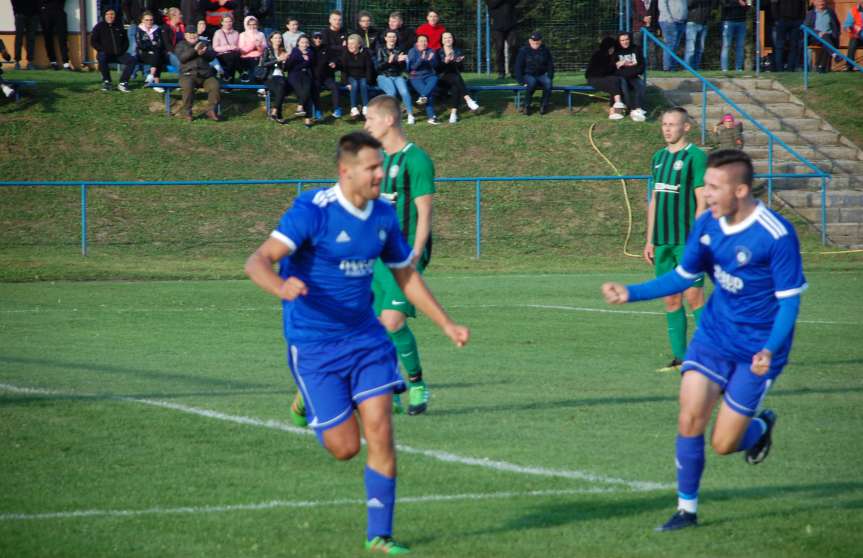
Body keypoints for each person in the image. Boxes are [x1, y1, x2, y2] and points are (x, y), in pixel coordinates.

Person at [246, 131, 469, 554]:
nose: (379, 174)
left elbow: (405, 274)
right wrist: (280, 287)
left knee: (382, 431)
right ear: (345, 171)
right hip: (313, 343)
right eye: (371, 167)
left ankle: (379, 536)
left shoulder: (382, 217)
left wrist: (446, 324)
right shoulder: (313, 210)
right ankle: (308, 401)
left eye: (381, 166)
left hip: (366, 340)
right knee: (345, 448)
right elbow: (257, 260)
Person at [602, 149, 805, 531]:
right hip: (713, 337)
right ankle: (686, 511)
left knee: (724, 443)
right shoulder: (707, 225)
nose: (706, 194)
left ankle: (759, 428)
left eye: (714, 187)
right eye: (706, 186)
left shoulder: (775, 235)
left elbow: (790, 305)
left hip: (757, 350)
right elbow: (681, 277)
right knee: (690, 414)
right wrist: (631, 292)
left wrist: (769, 348)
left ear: (741, 190)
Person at [365, 96, 438, 415]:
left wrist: (417, 254)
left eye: (370, 119)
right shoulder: (375, 159)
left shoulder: (416, 160)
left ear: (389, 120)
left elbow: (425, 213)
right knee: (376, 324)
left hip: (405, 254)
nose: (365, 125)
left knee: (392, 321)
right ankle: (390, 386)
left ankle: (418, 384)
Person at [645, 107, 707, 371]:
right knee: (671, 299)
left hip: (686, 241)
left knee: (694, 297)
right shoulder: (658, 157)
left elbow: (701, 199)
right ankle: (681, 358)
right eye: (664, 124)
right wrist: (650, 240)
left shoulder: (695, 157)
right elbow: (655, 200)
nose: (668, 129)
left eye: (673, 124)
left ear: (686, 128)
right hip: (663, 242)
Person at [175, 27, 222, 122]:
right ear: (185, 35)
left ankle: (211, 110)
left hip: (205, 75)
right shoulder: (181, 44)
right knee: (188, 87)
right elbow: (182, 58)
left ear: (198, 34)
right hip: (188, 74)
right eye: (190, 33)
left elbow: (212, 57)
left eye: (194, 33)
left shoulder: (204, 43)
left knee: (215, 85)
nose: (192, 35)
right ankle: (187, 112)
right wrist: (195, 50)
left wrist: (204, 53)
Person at [436, 32, 481, 123]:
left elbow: (461, 69)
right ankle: (469, 100)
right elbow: (437, 69)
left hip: (454, 78)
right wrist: (445, 62)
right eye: (445, 38)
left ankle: (453, 114)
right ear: (442, 40)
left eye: (449, 37)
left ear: (453, 39)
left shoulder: (458, 51)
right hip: (442, 79)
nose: (447, 39)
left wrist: (458, 62)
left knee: (455, 86)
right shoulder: (438, 52)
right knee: (455, 78)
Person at [374, 30, 416, 125]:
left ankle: (410, 115)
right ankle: (391, 116)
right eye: (389, 37)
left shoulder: (400, 50)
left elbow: (403, 68)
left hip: (397, 76)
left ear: (396, 38)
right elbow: (378, 67)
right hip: (383, 76)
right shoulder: (381, 50)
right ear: (385, 38)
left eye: (394, 37)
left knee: (404, 92)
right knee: (392, 93)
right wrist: (389, 61)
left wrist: (401, 62)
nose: (392, 39)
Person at [91, 8, 136, 92]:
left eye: (112, 14)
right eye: (108, 14)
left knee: (132, 60)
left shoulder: (119, 26)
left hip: (119, 54)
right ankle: (107, 82)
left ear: (115, 16)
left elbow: (126, 41)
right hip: (106, 54)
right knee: (102, 57)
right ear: (104, 16)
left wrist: (122, 50)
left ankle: (123, 83)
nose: (110, 16)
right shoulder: (99, 27)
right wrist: (102, 50)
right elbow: (93, 41)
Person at [514, 31, 555, 115]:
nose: (535, 43)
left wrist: (550, 76)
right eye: (533, 41)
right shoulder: (523, 51)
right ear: (530, 41)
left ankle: (544, 105)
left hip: (541, 74)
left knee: (548, 83)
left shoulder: (545, 50)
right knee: (532, 82)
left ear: (540, 41)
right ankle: (526, 106)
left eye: (537, 41)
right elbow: (518, 67)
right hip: (528, 74)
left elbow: (550, 64)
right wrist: (521, 81)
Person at [585, 37, 626, 120]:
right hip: (594, 78)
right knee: (613, 82)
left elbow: (611, 71)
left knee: (615, 81)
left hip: (606, 79)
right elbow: (601, 71)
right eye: (612, 47)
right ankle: (616, 106)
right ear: (608, 47)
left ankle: (614, 110)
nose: (613, 49)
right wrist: (615, 65)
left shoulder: (612, 56)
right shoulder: (598, 55)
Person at [287, 34, 319, 128]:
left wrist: (303, 61)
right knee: (303, 93)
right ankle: (307, 119)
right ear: (298, 43)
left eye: (306, 42)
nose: (304, 44)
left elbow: (311, 63)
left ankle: (300, 107)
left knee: (307, 90)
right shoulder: (294, 51)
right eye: (302, 42)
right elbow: (290, 65)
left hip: (306, 74)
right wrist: (303, 59)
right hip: (294, 74)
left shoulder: (310, 52)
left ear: (308, 44)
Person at [614, 31, 647, 122]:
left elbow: (641, 66)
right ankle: (630, 109)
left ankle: (638, 109)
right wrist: (629, 68)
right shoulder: (616, 52)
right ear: (619, 41)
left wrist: (625, 66)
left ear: (630, 39)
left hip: (633, 76)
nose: (625, 42)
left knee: (640, 85)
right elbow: (613, 68)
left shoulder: (636, 49)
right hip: (622, 77)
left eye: (627, 39)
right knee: (623, 86)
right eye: (622, 40)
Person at [408, 35, 440, 124]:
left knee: (435, 78)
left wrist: (430, 60)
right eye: (421, 41)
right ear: (417, 43)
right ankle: (431, 117)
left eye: (425, 41)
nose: (423, 43)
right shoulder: (412, 51)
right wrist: (421, 59)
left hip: (429, 76)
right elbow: (412, 68)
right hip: (416, 77)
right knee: (429, 95)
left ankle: (422, 96)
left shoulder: (430, 51)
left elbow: (435, 66)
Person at [341, 34, 374, 119]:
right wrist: (346, 83)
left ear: (359, 44)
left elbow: (369, 68)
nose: (350, 46)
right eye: (349, 44)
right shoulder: (345, 54)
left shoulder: (365, 53)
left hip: (363, 76)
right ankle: (353, 108)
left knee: (363, 84)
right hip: (351, 76)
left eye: (352, 44)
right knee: (354, 84)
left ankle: (366, 107)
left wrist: (368, 80)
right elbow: (343, 70)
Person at [804, 0, 841, 72]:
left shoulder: (830, 12)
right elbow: (806, 27)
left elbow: (837, 25)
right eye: (819, 1)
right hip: (815, 37)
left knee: (826, 40)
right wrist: (817, 32)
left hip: (829, 36)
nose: (821, 3)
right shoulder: (811, 13)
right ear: (814, 3)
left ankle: (822, 67)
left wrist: (836, 34)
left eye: (823, 1)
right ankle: (834, 55)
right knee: (826, 39)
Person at [261, 31, 290, 123]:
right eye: (276, 38)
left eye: (280, 38)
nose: (278, 39)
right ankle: (278, 114)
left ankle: (274, 112)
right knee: (281, 88)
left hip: (280, 76)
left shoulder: (283, 50)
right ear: (271, 39)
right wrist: (278, 60)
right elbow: (263, 64)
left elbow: (285, 68)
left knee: (280, 88)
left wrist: (286, 61)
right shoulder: (267, 50)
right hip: (270, 76)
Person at [312, 31, 342, 119]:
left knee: (335, 86)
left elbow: (335, 58)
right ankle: (317, 110)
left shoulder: (327, 48)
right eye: (316, 38)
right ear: (312, 39)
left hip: (326, 76)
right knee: (315, 88)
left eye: (320, 38)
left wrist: (333, 62)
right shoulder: (310, 49)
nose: (318, 40)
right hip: (315, 77)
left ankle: (336, 108)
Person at [770, 0, 806, 72]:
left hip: (796, 21)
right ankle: (779, 69)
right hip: (782, 20)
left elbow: (802, 4)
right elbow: (774, 4)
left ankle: (790, 68)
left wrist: (801, 19)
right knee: (780, 45)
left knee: (794, 46)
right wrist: (777, 19)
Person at [135, 11, 166, 92]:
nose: (149, 22)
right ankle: (156, 83)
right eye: (147, 20)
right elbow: (140, 45)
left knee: (157, 55)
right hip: (143, 54)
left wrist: (150, 45)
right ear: (142, 20)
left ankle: (151, 76)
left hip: (155, 53)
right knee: (157, 56)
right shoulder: (139, 30)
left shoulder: (157, 29)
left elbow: (160, 43)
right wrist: (152, 44)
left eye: (151, 20)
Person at [486, 0, 518, 79]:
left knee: (514, 46)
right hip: (497, 26)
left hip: (511, 24)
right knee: (499, 48)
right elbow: (491, 4)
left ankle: (513, 70)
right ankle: (501, 72)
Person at [40, 0, 73, 70]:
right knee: (48, 38)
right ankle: (53, 61)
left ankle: (65, 62)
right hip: (46, 12)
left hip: (59, 11)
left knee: (63, 38)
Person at [719, 0, 749, 72]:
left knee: (740, 46)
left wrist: (745, 4)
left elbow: (748, 6)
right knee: (726, 45)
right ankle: (724, 69)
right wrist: (738, 2)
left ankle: (738, 68)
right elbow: (724, 4)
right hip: (728, 21)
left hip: (742, 21)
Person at [685, 0, 715, 70]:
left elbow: (713, 5)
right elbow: (688, 4)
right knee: (690, 48)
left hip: (704, 23)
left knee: (700, 48)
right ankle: (687, 68)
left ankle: (696, 67)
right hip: (692, 22)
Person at [659, 0, 688, 70]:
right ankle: (667, 68)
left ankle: (672, 68)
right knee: (670, 45)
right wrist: (669, 19)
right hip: (669, 21)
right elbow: (662, 4)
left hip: (680, 22)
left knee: (675, 46)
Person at [633, 0, 662, 69]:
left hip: (652, 28)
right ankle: (637, 65)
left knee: (652, 48)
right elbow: (632, 13)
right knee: (637, 47)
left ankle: (653, 67)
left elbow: (657, 13)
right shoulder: (635, 1)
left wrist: (658, 27)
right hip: (638, 28)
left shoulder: (655, 1)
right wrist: (642, 18)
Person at [12, 0, 39, 70]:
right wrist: (16, 12)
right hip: (20, 14)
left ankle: (30, 62)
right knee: (18, 38)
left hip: (33, 15)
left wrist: (38, 11)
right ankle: (17, 62)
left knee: (31, 39)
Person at [213, 14, 241, 81]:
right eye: (226, 21)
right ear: (222, 22)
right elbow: (215, 48)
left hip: (234, 55)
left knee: (234, 57)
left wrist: (236, 48)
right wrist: (229, 47)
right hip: (222, 55)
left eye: (230, 21)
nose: (228, 23)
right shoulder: (218, 33)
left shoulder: (236, 33)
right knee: (231, 58)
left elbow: (238, 46)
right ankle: (231, 79)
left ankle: (228, 79)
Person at [239, 15, 266, 82]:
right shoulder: (242, 34)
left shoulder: (261, 34)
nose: (252, 26)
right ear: (246, 25)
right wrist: (253, 45)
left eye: (254, 24)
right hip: (246, 57)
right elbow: (242, 49)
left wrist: (259, 46)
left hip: (259, 56)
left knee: (258, 62)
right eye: (250, 24)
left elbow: (265, 47)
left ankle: (257, 80)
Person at [842, 0, 862, 71]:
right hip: (858, 37)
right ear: (859, 1)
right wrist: (848, 28)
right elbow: (847, 24)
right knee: (853, 41)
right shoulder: (853, 10)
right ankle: (849, 65)